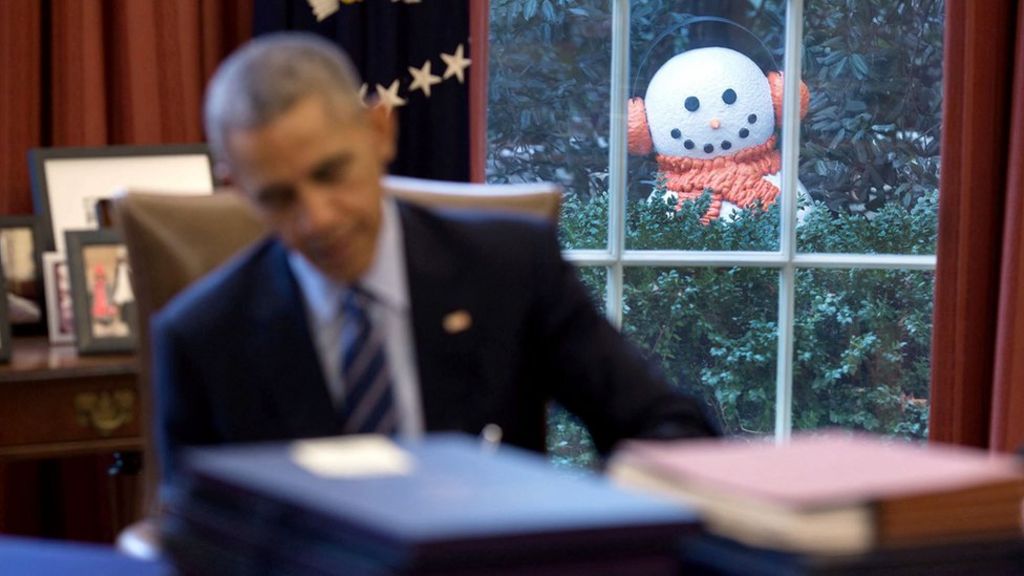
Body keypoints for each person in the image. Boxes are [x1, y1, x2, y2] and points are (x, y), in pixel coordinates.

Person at [152, 32, 718, 484]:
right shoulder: (201, 337)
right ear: (235, 189)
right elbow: (198, 537)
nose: (317, 218)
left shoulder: (510, 269)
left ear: (380, 132)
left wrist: (569, 522)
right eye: (277, 197)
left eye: (331, 173)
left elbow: (668, 429)